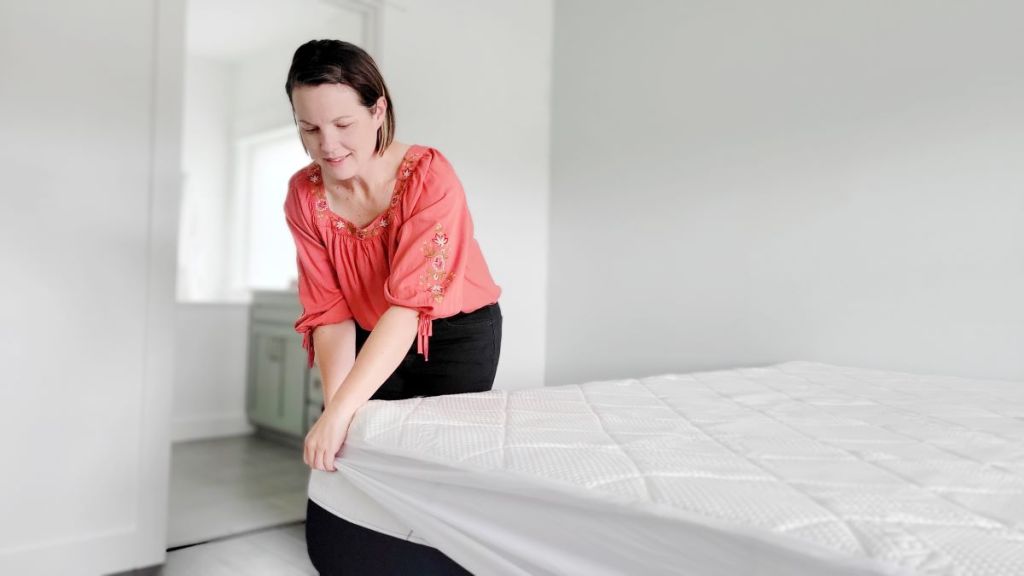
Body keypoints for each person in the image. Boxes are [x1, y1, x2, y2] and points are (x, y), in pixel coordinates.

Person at [283, 39, 502, 574]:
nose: (327, 145)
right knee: (348, 459)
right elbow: (329, 313)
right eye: (308, 128)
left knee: (432, 473)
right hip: (364, 333)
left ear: (377, 108)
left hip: (452, 334)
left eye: (342, 124)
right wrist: (339, 411)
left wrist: (339, 415)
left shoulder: (429, 176)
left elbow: (408, 308)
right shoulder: (303, 195)